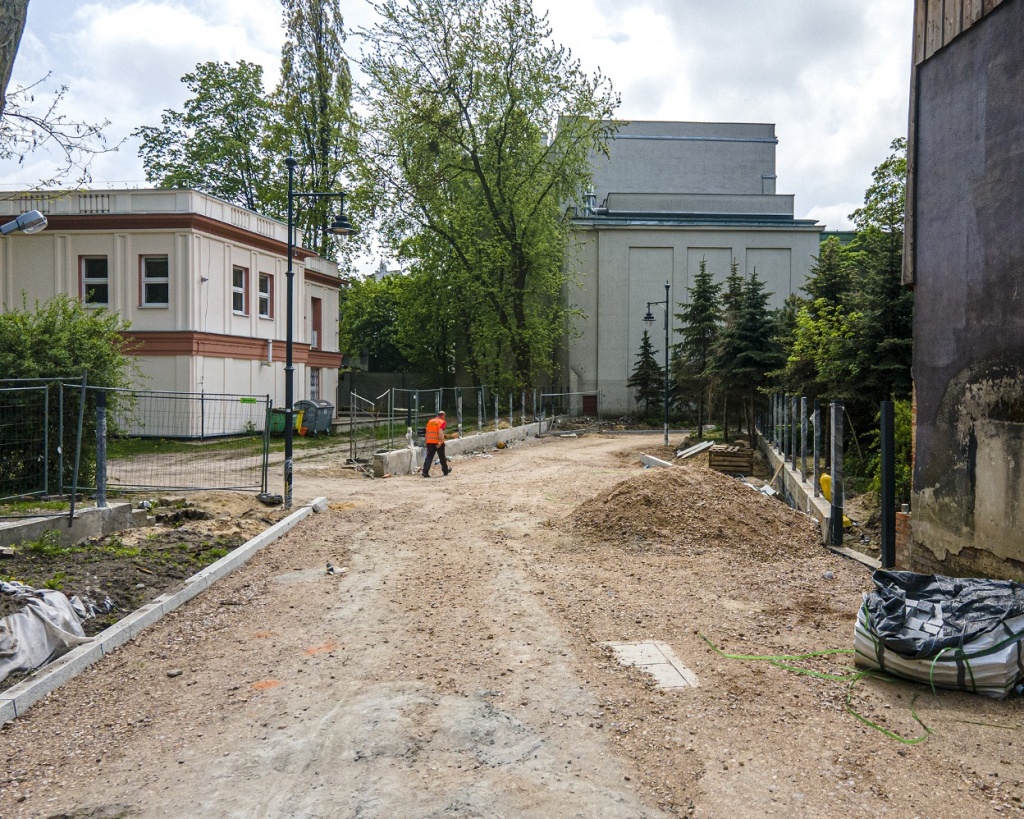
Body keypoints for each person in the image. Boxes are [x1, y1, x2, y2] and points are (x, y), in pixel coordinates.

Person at [422, 410, 451, 477]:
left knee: (429, 457)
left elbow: (427, 433)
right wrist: (441, 441)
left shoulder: (430, 422)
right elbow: (440, 431)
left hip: (430, 442)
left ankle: (425, 472)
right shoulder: (442, 422)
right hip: (438, 442)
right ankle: (445, 471)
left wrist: (426, 443)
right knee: (442, 457)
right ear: (443, 415)